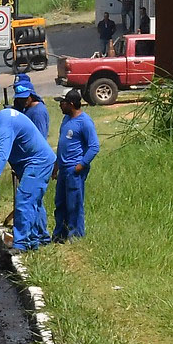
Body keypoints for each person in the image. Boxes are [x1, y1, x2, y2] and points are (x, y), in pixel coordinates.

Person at [0, 99, 56, 251]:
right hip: (32, 162)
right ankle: (40, 238)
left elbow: (2, 153)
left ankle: (21, 243)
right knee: (34, 201)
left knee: (24, 199)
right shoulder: (6, 116)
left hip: (37, 162)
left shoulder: (4, 126)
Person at [52, 90, 100, 243]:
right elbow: (62, 145)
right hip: (63, 168)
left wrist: (80, 165)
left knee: (74, 204)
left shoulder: (84, 122)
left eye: (62, 102)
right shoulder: (66, 120)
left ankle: (76, 235)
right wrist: (56, 166)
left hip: (74, 169)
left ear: (71, 104)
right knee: (60, 203)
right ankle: (60, 234)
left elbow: (94, 146)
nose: (60, 105)